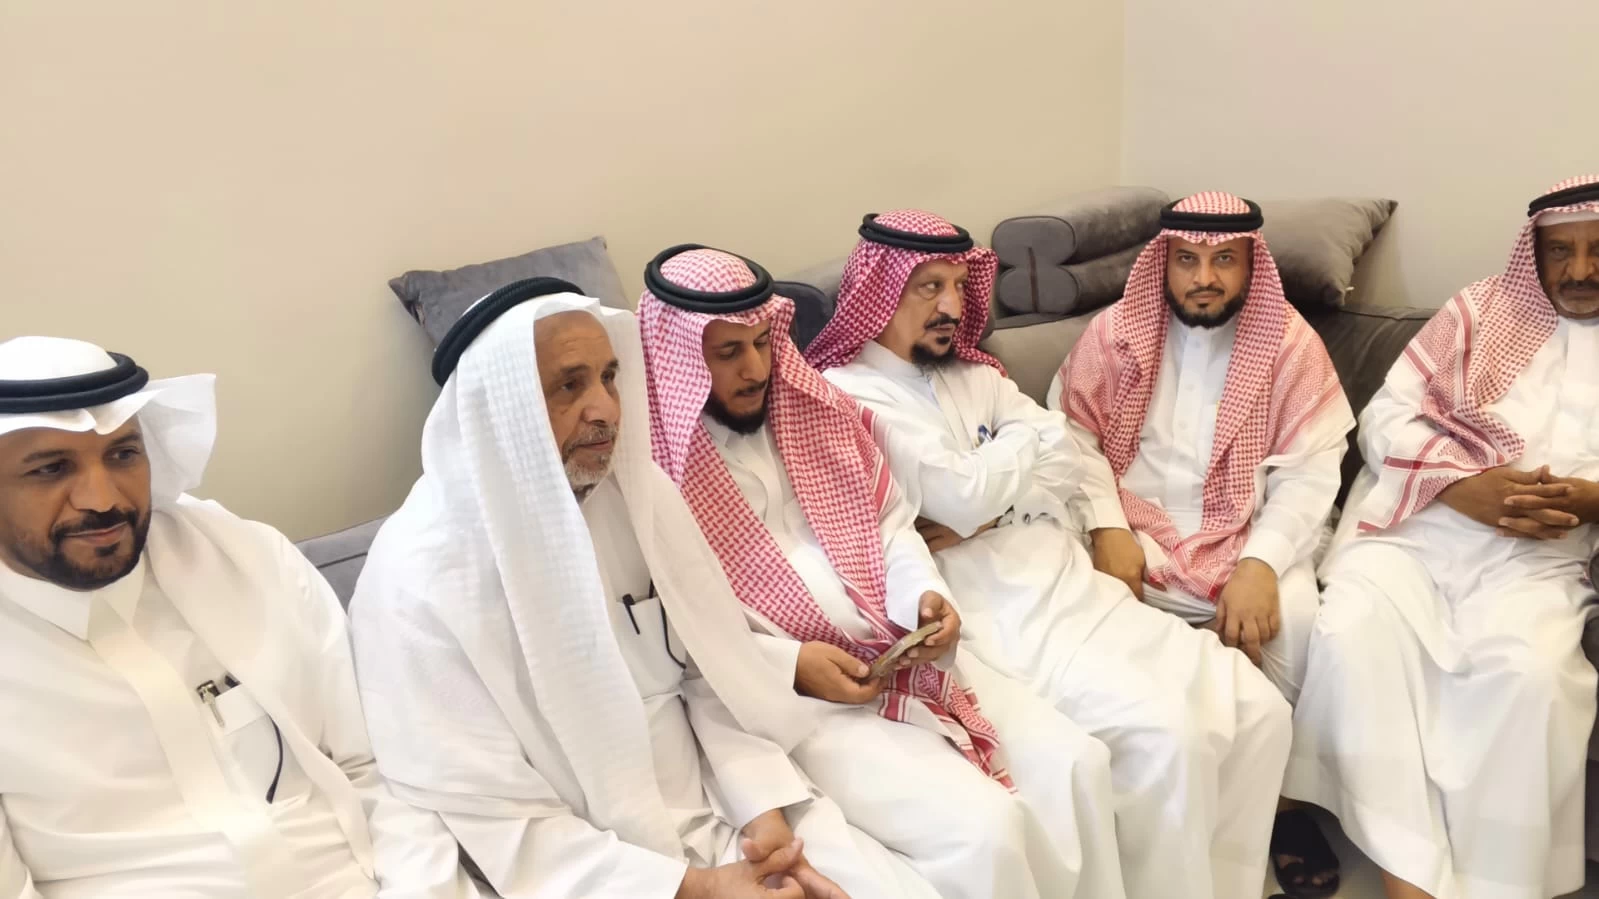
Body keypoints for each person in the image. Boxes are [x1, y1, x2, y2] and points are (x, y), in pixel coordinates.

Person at [349, 279, 938, 899]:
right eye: (569, 386)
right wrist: (697, 888)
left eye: (609, 377)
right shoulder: (418, 577)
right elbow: (493, 821)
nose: (605, 408)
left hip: (722, 800)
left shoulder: (636, 495)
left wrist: (764, 821)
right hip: (593, 867)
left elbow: (712, 671)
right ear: (500, 409)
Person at [810, 209, 1294, 899]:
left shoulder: (975, 375)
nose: (951, 306)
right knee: (1169, 738)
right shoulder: (849, 393)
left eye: (958, 285)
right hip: (993, 610)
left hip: (1070, 581)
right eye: (928, 287)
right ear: (881, 294)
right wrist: (1013, 460)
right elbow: (960, 494)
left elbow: (1057, 456)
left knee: (1260, 709)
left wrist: (993, 501)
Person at [639, 245, 1127, 899]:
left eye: (761, 343)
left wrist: (924, 594)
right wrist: (791, 665)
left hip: (901, 654)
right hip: (796, 707)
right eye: (728, 353)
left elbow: (890, 524)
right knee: (986, 835)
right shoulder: (654, 480)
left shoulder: (813, 414)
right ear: (677, 361)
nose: (756, 368)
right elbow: (682, 638)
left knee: (1077, 766)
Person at [0, 336, 479, 898]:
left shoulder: (244, 557)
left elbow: (383, 765)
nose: (103, 499)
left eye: (123, 454)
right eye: (51, 468)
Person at [1284, 175, 1599, 899]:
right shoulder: (1479, 311)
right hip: (1419, 530)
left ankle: (1495, 882)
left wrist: (1590, 499)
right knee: (1351, 633)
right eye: (1561, 251)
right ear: (1535, 253)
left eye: (1596, 250)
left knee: (1532, 679)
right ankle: (1409, 881)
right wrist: (1462, 487)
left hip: (1539, 558)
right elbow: (1385, 417)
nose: (1580, 270)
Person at [1052, 193, 1354, 896]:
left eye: (1224, 260)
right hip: (1133, 526)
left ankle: (1282, 810)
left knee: (1300, 623)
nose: (1204, 278)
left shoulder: (1287, 343)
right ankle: (1156, 797)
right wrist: (1107, 526)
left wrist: (1259, 564)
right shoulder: (1115, 332)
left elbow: (1312, 470)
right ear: (1164, 263)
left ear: (1251, 265)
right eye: (1186, 259)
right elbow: (1070, 436)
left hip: (1249, 526)